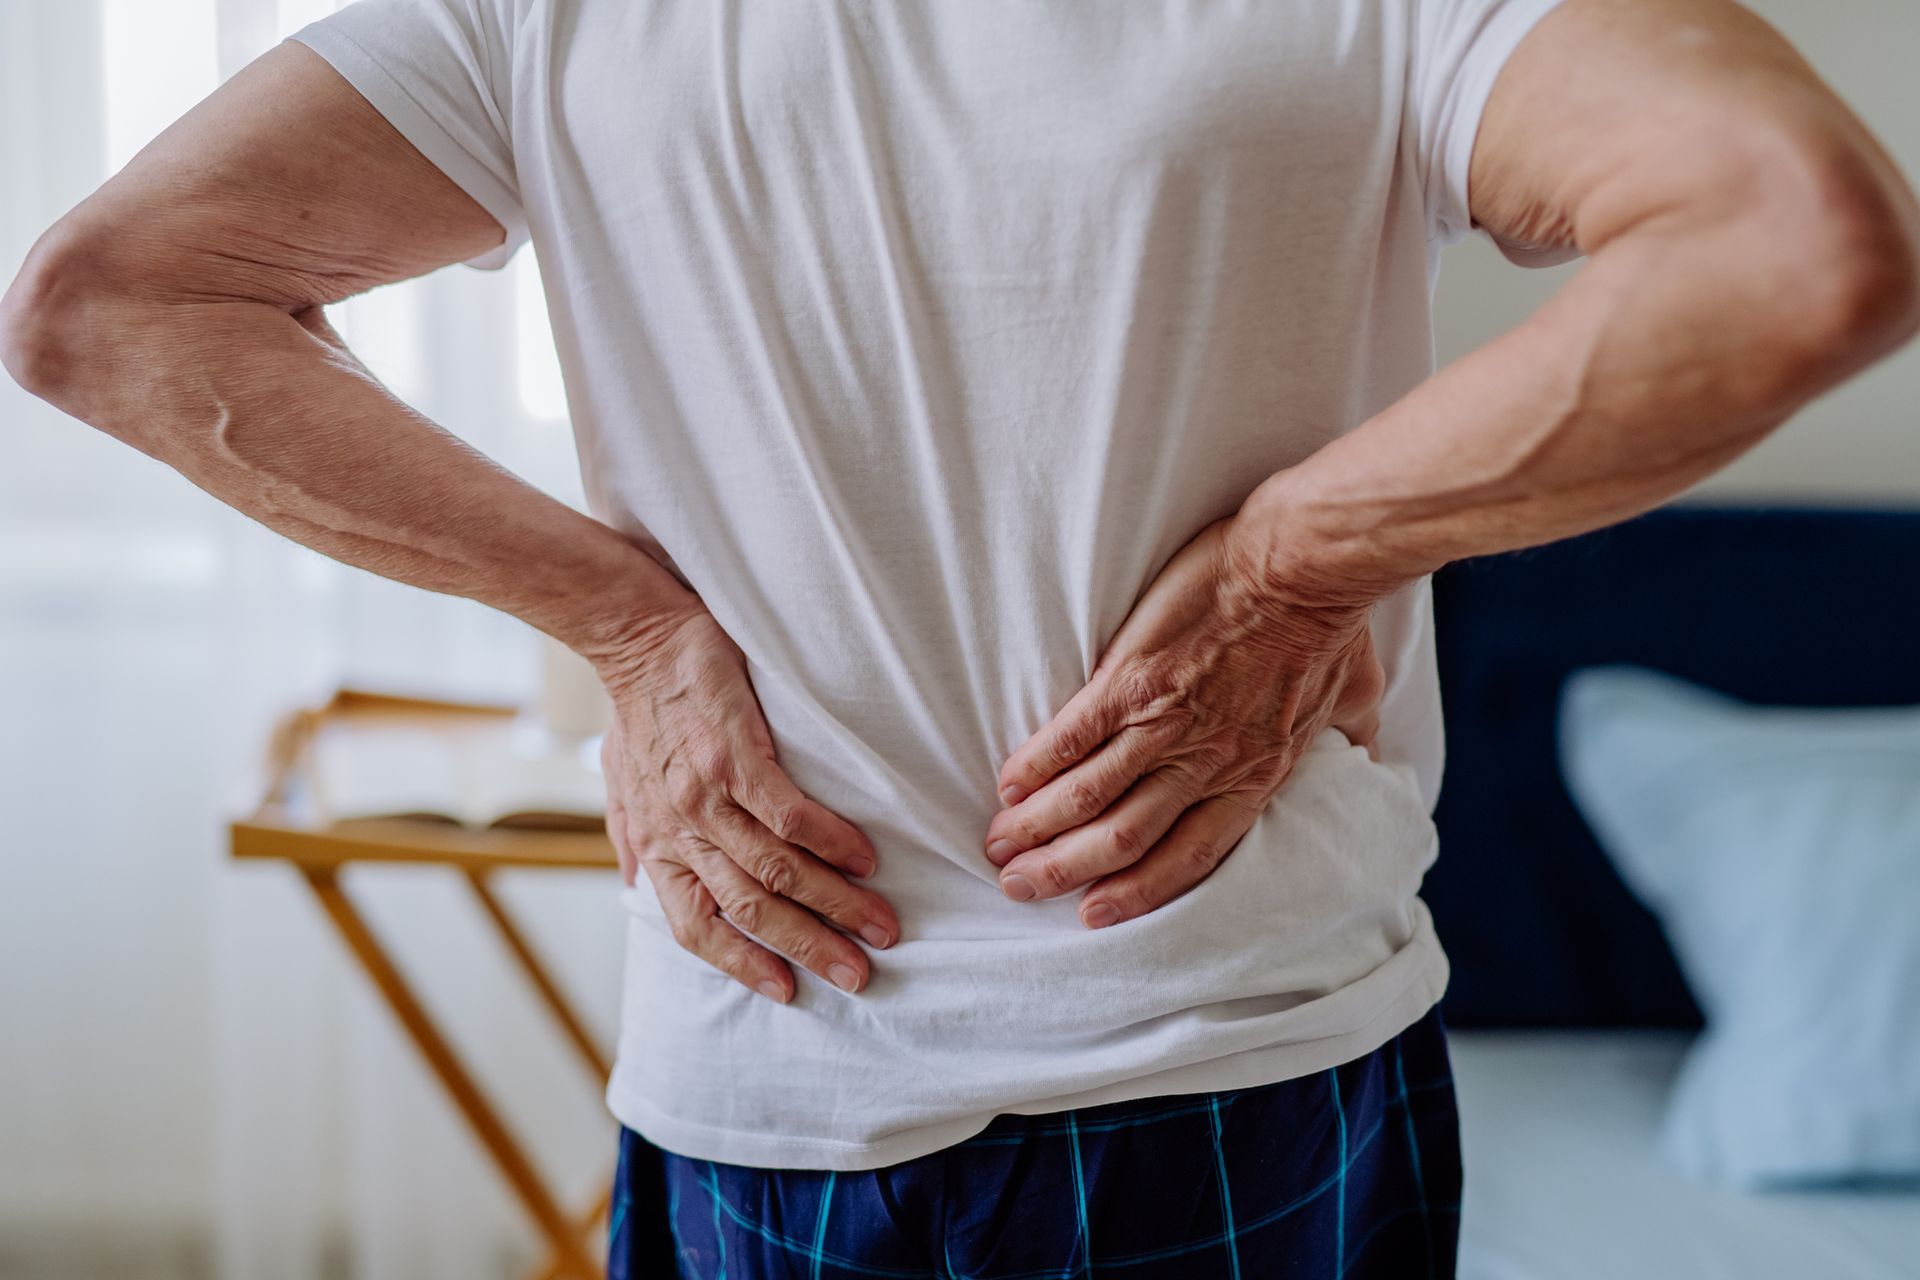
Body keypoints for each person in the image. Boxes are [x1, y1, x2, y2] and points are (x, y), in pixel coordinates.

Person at [5, 0, 1916, 1275]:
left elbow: (104, 305)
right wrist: (636, 627)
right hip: (1089, 1062)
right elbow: (1798, 235)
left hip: (918, 1062)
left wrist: (1288, 568)